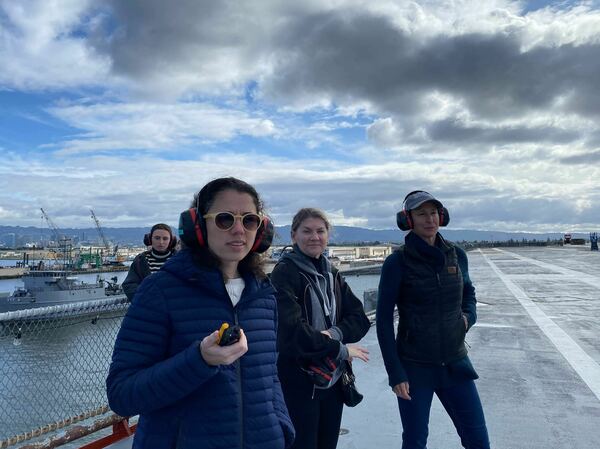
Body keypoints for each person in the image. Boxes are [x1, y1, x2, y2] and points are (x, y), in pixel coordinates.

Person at [106, 177, 294, 449]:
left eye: (249, 220)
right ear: (197, 226)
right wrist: (200, 361)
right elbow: (122, 394)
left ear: (261, 230)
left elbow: (270, 377)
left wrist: (279, 428)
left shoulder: (264, 295)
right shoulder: (159, 290)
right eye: (224, 219)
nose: (239, 230)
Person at [376, 190, 490, 449]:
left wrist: (467, 319)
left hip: (455, 361)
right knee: (415, 441)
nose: (429, 219)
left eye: (433, 213)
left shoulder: (456, 255)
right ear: (408, 220)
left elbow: (468, 293)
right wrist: (396, 373)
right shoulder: (397, 262)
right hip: (416, 367)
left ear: (442, 216)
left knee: (478, 439)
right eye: (421, 213)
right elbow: (383, 321)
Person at [270, 207, 371, 449]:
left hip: (332, 377)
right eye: (307, 231)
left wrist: (333, 335)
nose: (314, 237)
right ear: (294, 236)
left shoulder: (332, 273)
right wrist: (342, 349)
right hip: (299, 379)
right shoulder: (284, 273)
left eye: (320, 231)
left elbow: (360, 318)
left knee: (327, 443)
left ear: (328, 236)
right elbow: (293, 334)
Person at [121, 223, 177, 300]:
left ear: (171, 240)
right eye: (157, 238)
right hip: (150, 308)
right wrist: (146, 298)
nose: (161, 242)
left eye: (165, 238)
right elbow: (129, 285)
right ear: (150, 239)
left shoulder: (179, 259)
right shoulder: (140, 260)